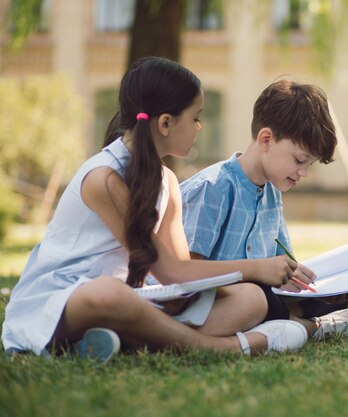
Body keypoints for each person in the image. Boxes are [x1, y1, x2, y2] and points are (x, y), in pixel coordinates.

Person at [1, 57, 309, 362]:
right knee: (107, 293)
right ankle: (226, 346)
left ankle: (116, 342)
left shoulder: (168, 183)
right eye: (195, 117)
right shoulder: (103, 179)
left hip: (129, 302)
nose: (200, 126)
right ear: (165, 123)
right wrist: (256, 267)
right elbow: (170, 270)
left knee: (250, 299)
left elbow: (178, 277)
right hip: (63, 301)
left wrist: (182, 299)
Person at [179, 79, 348, 340]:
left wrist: (316, 284)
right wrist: (259, 273)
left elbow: (282, 266)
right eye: (299, 160)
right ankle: (312, 328)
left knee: (328, 300)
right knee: (259, 299)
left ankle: (297, 321)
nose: (303, 173)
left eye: (310, 165)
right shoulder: (213, 188)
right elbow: (185, 276)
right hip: (216, 301)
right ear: (267, 139)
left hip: (261, 296)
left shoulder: (272, 192)